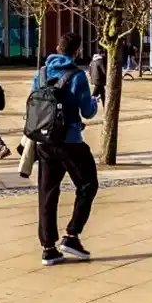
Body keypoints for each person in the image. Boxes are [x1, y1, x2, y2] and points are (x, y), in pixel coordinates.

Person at [32, 33, 99, 266]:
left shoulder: (40, 73)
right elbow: (87, 111)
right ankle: (72, 235)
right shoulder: (78, 76)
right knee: (88, 184)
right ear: (77, 52)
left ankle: (48, 248)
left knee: (47, 194)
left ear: (56, 47)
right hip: (69, 140)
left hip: (44, 140)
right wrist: (94, 103)